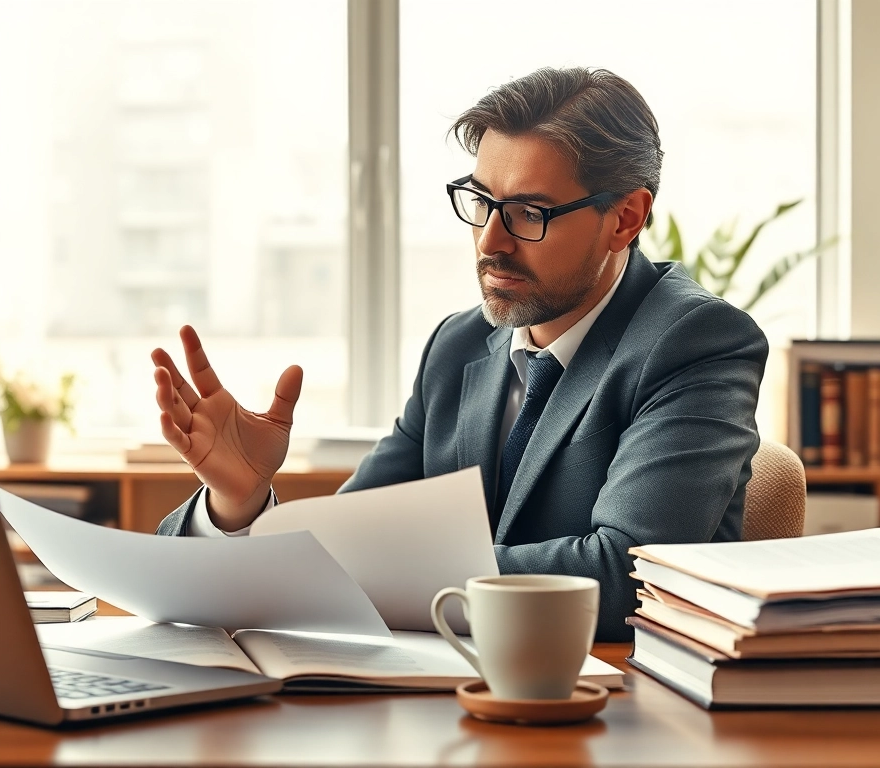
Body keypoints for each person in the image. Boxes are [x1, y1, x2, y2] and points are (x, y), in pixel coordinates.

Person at [148, 67, 768, 641]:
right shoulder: (458, 346)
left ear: (625, 218)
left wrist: (370, 575)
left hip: (614, 718)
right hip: (446, 700)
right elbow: (348, 542)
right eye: (481, 202)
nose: (491, 241)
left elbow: (628, 574)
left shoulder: (696, 342)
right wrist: (242, 502)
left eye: (530, 212)